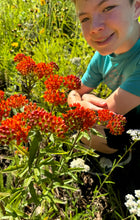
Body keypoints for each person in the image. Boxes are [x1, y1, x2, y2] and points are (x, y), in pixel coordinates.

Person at [68, 0, 140, 200]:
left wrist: (85, 99)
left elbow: (105, 118)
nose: (95, 27)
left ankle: (123, 155)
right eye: (85, 18)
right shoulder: (105, 53)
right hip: (125, 114)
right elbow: (75, 91)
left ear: (136, 7)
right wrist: (77, 100)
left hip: (131, 124)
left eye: (108, 8)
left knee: (87, 131)